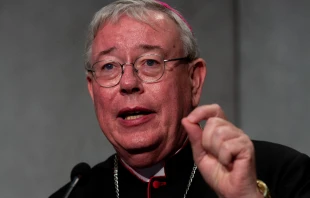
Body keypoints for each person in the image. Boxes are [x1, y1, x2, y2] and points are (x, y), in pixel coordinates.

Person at [49, 0, 310, 197]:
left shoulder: (283, 174)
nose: (128, 83)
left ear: (194, 80)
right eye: (108, 67)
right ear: (93, 90)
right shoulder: (73, 194)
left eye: (150, 62)